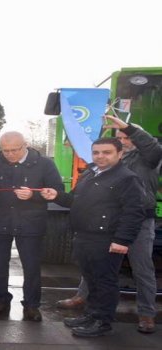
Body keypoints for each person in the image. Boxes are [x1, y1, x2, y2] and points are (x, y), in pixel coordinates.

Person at [56, 115, 161, 333]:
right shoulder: (102, 165)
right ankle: (84, 301)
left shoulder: (147, 158)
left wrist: (128, 127)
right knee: (97, 269)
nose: (124, 140)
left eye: (127, 137)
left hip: (139, 222)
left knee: (141, 269)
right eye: (120, 137)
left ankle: (146, 313)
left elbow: (151, 147)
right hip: (108, 224)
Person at [41, 137, 145, 337]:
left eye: (106, 152)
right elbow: (75, 200)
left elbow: (133, 212)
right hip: (84, 236)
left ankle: (102, 321)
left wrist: (122, 241)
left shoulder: (126, 178)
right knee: (91, 279)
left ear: (119, 154)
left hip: (106, 239)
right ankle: (91, 314)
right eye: (96, 152)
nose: (100, 156)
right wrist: (56, 195)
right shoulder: (90, 173)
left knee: (105, 282)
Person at [0, 131, 64, 322]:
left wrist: (34, 196)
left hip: (31, 222)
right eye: (5, 150)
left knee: (31, 266)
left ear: (25, 145)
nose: (10, 154)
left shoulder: (45, 164)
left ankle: (31, 305)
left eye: (14, 150)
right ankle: (1, 300)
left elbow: (57, 192)